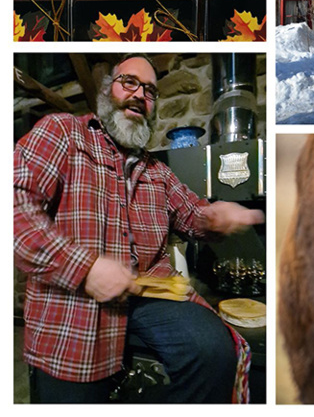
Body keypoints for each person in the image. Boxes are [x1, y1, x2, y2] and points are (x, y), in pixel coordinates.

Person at [14, 55, 265, 403]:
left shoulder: (157, 171)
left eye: (149, 90)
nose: (139, 95)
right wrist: (84, 268)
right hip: (75, 303)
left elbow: (193, 213)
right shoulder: (63, 133)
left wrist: (214, 217)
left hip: (150, 295)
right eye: (129, 82)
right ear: (107, 90)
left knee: (213, 350)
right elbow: (14, 207)